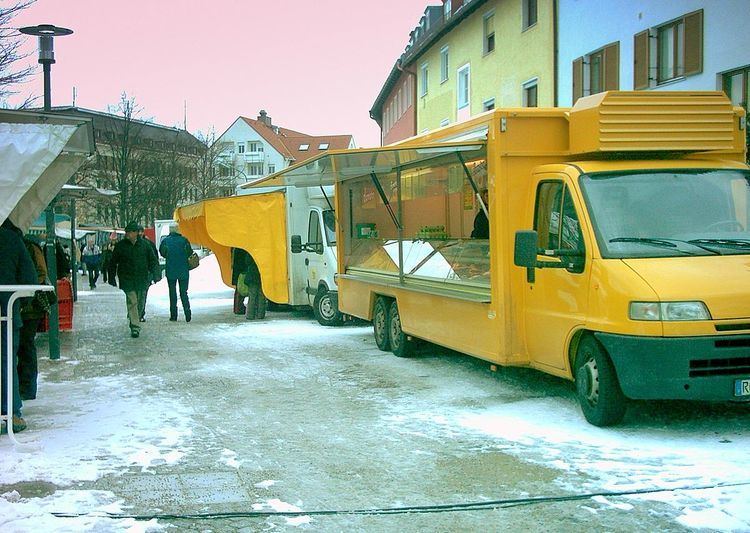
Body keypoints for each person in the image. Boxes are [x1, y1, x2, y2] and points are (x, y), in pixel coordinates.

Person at [0, 218, 37, 434]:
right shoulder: (12, 239)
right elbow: (29, 279)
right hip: (7, 310)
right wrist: (16, 304)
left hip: (8, 309)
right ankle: (11, 414)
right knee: (6, 361)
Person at [108, 221, 158, 338]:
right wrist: (111, 277)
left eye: (130, 232)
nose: (127, 234)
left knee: (140, 302)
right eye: (127, 232)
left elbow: (153, 260)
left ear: (136, 233)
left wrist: (156, 275)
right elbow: (113, 262)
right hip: (127, 278)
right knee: (132, 301)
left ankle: (135, 318)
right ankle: (135, 327)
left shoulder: (145, 245)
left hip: (142, 278)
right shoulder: (121, 246)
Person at [18, 233, 48, 402]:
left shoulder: (29, 245)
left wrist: (26, 293)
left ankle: (28, 387)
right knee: (23, 345)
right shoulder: (28, 244)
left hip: (30, 307)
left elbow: (41, 272)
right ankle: (24, 386)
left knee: (26, 344)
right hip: (23, 305)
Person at [159, 224, 192, 322]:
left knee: (172, 293)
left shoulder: (165, 241)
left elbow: (162, 253)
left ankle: (173, 315)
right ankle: (187, 312)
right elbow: (189, 252)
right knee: (183, 292)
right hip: (183, 270)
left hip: (171, 270)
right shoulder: (184, 240)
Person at [137, 225, 161, 322]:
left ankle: (140, 313)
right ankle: (135, 312)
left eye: (140, 232)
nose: (139, 234)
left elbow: (154, 260)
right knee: (134, 295)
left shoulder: (148, 244)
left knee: (142, 295)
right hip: (134, 274)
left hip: (145, 274)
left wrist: (154, 274)